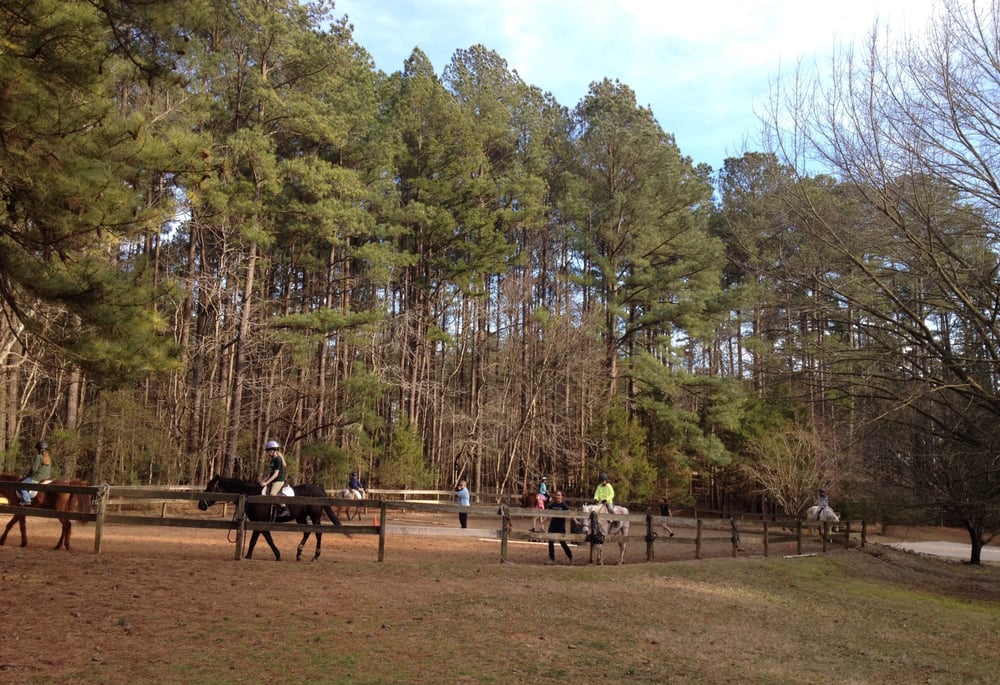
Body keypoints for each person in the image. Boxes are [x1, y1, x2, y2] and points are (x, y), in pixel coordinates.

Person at [259, 440, 290, 519]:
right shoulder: (272, 460)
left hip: (279, 480)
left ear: (273, 450)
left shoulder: (278, 459)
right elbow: (270, 474)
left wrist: (266, 483)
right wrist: (263, 481)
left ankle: (284, 509)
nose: (268, 453)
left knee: (273, 493)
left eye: (269, 451)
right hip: (274, 480)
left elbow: (276, 474)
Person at [17, 440, 53, 505]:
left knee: (21, 485)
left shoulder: (39, 457)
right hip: (47, 477)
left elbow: (34, 469)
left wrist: (28, 475)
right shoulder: (48, 458)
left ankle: (27, 500)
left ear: (39, 449)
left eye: (37, 449)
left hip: (37, 478)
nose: (36, 450)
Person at [545, 491, 573, 565]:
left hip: (560, 527)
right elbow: (548, 512)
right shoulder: (553, 504)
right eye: (557, 495)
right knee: (550, 542)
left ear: (562, 497)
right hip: (553, 526)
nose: (558, 497)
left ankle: (570, 557)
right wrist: (544, 520)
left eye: (559, 495)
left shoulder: (564, 505)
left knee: (563, 543)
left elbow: (570, 513)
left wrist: (576, 521)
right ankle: (552, 559)